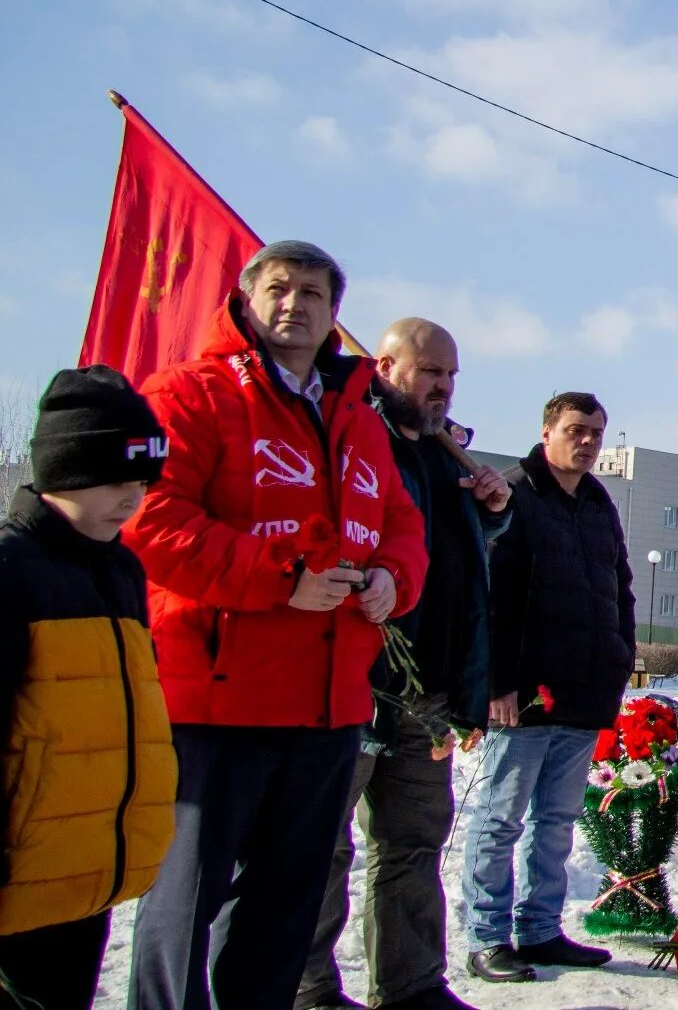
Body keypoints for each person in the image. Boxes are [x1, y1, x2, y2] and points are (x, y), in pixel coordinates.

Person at [126, 241, 428, 1010]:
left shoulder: (356, 418)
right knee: (184, 903)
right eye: (280, 288)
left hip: (327, 705)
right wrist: (281, 580)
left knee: (286, 907)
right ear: (246, 298)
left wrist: (394, 577)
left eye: (314, 293)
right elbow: (152, 519)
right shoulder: (190, 394)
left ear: (334, 315)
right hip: (219, 701)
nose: (295, 304)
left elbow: (401, 522)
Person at [298, 320, 511, 1010]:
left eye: (450, 376)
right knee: (321, 847)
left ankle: (412, 984)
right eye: (428, 372)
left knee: (413, 840)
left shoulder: (448, 457)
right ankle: (308, 989)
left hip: (431, 688)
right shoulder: (353, 439)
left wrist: (490, 514)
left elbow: (449, 556)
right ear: (384, 364)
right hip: (357, 676)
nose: (442, 387)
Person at [0, 368, 176, 1010]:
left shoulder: (123, 568)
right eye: (114, 475)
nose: (132, 495)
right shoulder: (13, 568)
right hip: (21, 869)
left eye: (142, 478)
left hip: (88, 865)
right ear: (63, 469)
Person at [461, 392, 633, 984]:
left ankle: (539, 931)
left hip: (585, 688)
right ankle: (487, 936)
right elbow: (494, 597)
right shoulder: (514, 493)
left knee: (556, 821)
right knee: (501, 818)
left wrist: (620, 658)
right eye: (576, 430)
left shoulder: (597, 502)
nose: (587, 442)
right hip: (526, 693)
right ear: (546, 431)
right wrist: (499, 682)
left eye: (596, 433)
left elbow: (621, 586)